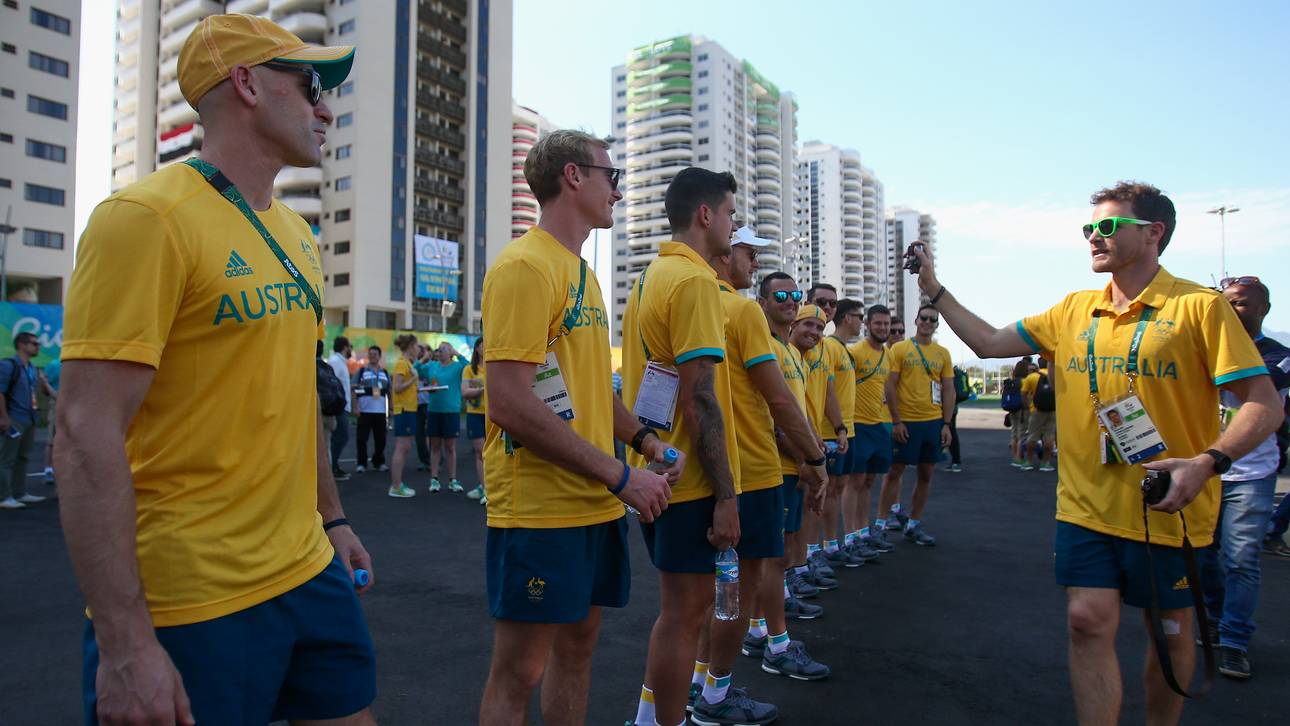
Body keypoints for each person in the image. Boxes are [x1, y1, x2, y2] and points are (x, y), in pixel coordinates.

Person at [57, 14, 377, 725]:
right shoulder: (144, 219)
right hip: (193, 598)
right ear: (246, 85)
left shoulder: (298, 234)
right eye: (311, 85)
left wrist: (333, 517)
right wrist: (125, 647)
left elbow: (295, 392)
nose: (326, 108)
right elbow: (83, 434)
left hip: (308, 570)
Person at [908, 181, 1281, 724]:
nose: (1093, 237)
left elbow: (1263, 404)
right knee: (1086, 621)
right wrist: (934, 289)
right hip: (1084, 505)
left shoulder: (1200, 308)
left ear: (1154, 234)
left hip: (1168, 508)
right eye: (1089, 228)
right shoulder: (1073, 310)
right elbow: (988, 343)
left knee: (1170, 633)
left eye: (1107, 226)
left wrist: (1207, 463)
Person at [478, 129, 675, 726]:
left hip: (594, 501)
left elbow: (592, 390)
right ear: (573, 176)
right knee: (519, 671)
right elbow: (509, 402)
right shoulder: (524, 267)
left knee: (579, 649)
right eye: (610, 176)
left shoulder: (582, 275)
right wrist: (621, 476)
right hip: (541, 507)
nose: (617, 190)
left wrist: (643, 441)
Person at [623, 167, 746, 726]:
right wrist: (726, 495)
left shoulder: (651, 275)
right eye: (730, 214)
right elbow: (700, 399)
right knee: (685, 615)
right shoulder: (695, 282)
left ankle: (653, 720)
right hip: (688, 480)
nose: (733, 224)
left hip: (658, 468)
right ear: (706, 215)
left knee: (680, 612)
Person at [692, 227, 829, 716]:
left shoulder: (681, 295)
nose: (750, 260)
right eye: (748, 252)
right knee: (737, 592)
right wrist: (815, 459)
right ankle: (716, 693)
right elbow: (778, 401)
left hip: (713, 470)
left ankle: (698, 684)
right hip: (752, 472)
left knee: (707, 595)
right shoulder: (740, 310)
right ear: (727, 255)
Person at [1197, 276, 1290, 679]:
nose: (1232, 310)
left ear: (1263, 309)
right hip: (1202, 470)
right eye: (1226, 303)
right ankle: (1215, 619)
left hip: (1250, 475)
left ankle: (1234, 640)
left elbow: (1254, 383)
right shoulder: (1206, 348)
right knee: (1201, 556)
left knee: (1241, 561)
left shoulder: (1277, 356)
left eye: (1241, 304)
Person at [759, 272, 827, 622]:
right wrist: (805, 457)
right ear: (763, 303)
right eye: (781, 295)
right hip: (778, 465)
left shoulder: (791, 353)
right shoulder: (766, 347)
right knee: (771, 555)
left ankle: (778, 604)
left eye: (795, 294)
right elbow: (773, 414)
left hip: (794, 465)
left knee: (783, 550)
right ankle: (764, 630)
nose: (790, 300)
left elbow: (799, 410)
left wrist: (813, 447)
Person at [878, 304, 954, 546]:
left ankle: (914, 523)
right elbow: (890, 385)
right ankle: (880, 524)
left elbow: (949, 389)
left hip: (932, 422)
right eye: (924, 318)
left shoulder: (943, 353)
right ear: (916, 319)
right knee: (894, 472)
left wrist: (947, 424)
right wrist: (897, 420)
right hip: (906, 421)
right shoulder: (900, 349)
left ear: (937, 324)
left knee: (926, 473)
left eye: (933, 319)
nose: (928, 322)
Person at [787, 305, 839, 596]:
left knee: (797, 520)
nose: (815, 332)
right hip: (782, 453)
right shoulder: (781, 352)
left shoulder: (802, 359)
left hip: (803, 446)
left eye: (820, 328)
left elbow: (801, 405)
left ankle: (797, 570)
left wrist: (817, 434)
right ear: (794, 323)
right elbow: (784, 407)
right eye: (808, 324)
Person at [798, 288, 849, 586]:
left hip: (816, 435)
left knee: (815, 498)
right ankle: (798, 565)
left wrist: (840, 427)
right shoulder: (791, 346)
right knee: (804, 502)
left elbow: (828, 392)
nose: (828, 308)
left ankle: (808, 558)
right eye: (821, 302)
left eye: (832, 303)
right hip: (799, 437)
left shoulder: (826, 347)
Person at [826, 298, 880, 564]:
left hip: (846, 429)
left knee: (840, 486)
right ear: (847, 318)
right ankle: (825, 546)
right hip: (833, 431)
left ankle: (838, 542)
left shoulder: (843, 350)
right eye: (860, 317)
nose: (862, 322)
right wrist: (838, 427)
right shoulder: (831, 347)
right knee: (828, 490)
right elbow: (827, 392)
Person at [846, 304, 898, 553]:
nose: (883, 328)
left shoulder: (887, 355)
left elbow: (887, 388)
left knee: (868, 481)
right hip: (856, 424)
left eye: (886, 324)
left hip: (878, 424)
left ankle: (863, 531)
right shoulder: (855, 352)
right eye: (878, 323)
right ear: (867, 324)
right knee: (854, 482)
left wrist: (896, 420)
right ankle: (850, 536)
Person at [0, 332, 47, 509]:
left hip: (29, 417)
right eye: (34, 344)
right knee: (7, 458)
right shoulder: (8, 365)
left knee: (23, 457)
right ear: (22, 344)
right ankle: (3, 496)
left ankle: (19, 492)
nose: (38, 347)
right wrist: (4, 417)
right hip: (14, 418)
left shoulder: (32, 368)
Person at [422, 342, 469, 493]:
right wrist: (424, 358)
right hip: (434, 410)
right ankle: (434, 479)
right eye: (439, 350)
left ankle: (452, 480)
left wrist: (458, 353)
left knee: (450, 447)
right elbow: (416, 369)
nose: (440, 352)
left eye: (444, 350)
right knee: (434, 446)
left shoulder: (457, 367)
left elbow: (469, 366)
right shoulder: (432, 366)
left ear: (450, 352)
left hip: (451, 411)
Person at [387, 334, 420, 499]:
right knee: (402, 447)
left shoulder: (407, 363)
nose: (418, 349)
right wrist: (414, 378)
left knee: (405, 447)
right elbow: (397, 387)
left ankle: (397, 484)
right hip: (404, 410)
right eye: (417, 346)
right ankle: (396, 485)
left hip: (409, 409)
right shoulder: (402, 363)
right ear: (410, 346)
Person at [353, 345, 390, 473]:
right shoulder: (362, 371)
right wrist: (355, 406)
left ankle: (378, 462)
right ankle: (361, 464)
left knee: (381, 439)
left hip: (380, 411)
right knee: (362, 439)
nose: (372, 356)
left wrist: (390, 409)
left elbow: (389, 391)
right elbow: (354, 389)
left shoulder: (385, 373)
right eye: (370, 354)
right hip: (364, 410)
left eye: (375, 354)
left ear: (379, 357)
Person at [463, 337, 488, 504]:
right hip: (475, 414)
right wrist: (482, 389)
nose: (485, 347)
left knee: (492, 453)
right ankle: (485, 488)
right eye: (482, 344)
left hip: (493, 414)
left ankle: (487, 487)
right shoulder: (469, 369)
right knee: (481, 451)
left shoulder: (494, 366)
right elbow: (464, 392)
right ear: (477, 349)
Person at [1023, 358, 1058, 472]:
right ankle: (1045, 462)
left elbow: (1024, 393)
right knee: (1049, 436)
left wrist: (1029, 406)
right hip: (1052, 409)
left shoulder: (1032, 377)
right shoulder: (1056, 375)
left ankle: (1028, 461)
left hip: (1036, 410)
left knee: (1032, 436)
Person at [327, 336, 354, 481]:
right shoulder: (336, 362)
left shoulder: (340, 362)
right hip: (338, 406)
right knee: (341, 436)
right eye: (351, 346)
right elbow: (332, 383)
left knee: (339, 437)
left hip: (342, 405)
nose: (351, 349)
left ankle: (333, 466)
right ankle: (331, 467)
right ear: (345, 347)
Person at [1006, 358, 1033, 467]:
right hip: (1023, 410)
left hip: (1012, 409)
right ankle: (1018, 457)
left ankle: (1014, 457)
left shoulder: (1012, 382)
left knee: (1014, 433)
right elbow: (1027, 396)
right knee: (1022, 433)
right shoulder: (1025, 381)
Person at [41, 354, 60, 485]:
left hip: (75, 404)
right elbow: (43, 387)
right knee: (52, 439)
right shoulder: (54, 364)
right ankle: (48, 470)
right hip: (56, 404)